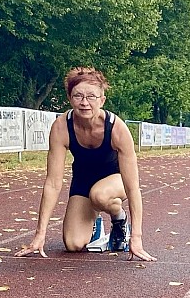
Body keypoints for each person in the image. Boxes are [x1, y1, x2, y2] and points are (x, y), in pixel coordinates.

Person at [16, 67, 155, 261]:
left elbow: (133, 188)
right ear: (69, 98)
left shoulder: (117, 129)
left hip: (116, 180)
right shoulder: (61, 127)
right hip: (83, 181)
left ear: (102, 100)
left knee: (99, 195)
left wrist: (137, 238)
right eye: (78, 96)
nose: (84, 103)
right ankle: (94, 225)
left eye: (91, 97)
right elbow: (53, 183)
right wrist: (40, 235)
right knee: (73, 244)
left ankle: (118, 218)